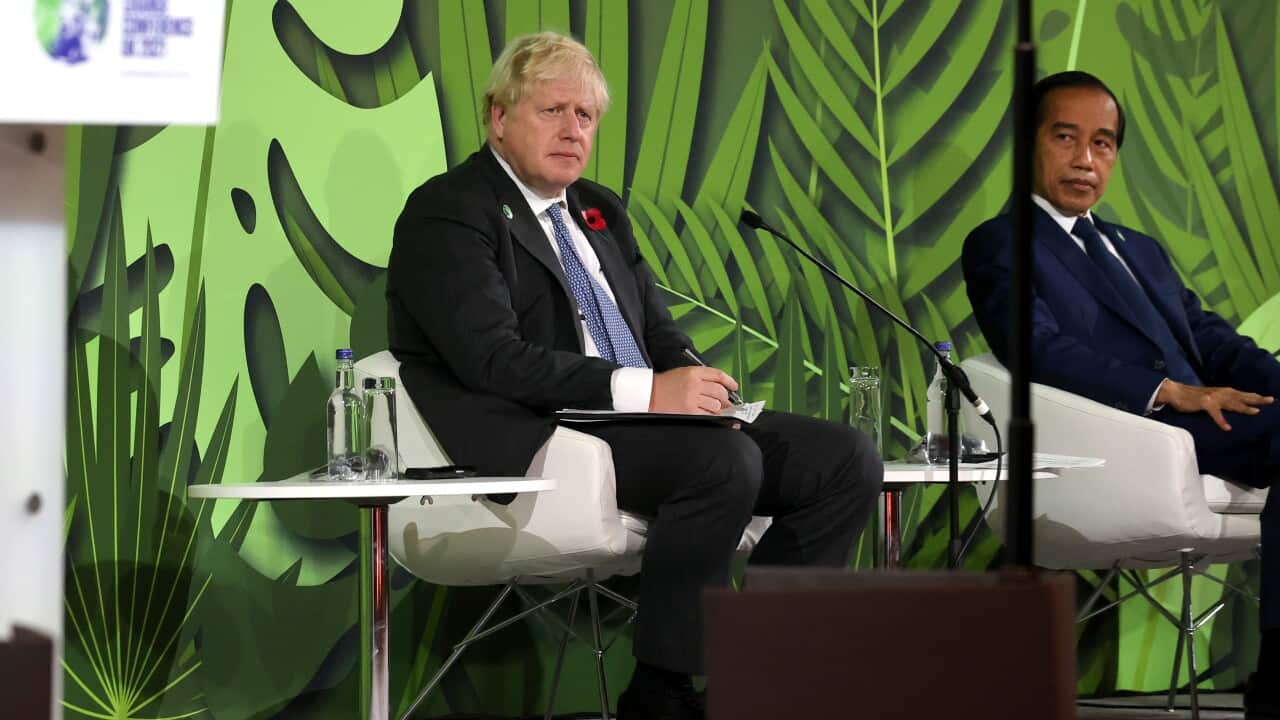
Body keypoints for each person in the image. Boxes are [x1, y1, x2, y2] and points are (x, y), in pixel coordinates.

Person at [386, 31, 883, 720]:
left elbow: (654, 328)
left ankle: (761, 679)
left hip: (644, 420)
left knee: (843, 460)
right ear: (498, 117)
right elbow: (492, 360)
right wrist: (649, 391)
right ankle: (661, 688)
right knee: (721, 462)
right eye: (552, 111)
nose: (572, 130)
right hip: (546, 429)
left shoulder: (598, 211)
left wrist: (689, 378)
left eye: (585, 116)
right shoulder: (451, 210)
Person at [963, 70, 1279, 719]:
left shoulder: (1139, 248)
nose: (1085, 159)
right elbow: (1036, 348)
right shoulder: (1003, 241)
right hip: (1132, 433)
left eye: (1103, 143)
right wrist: (1166, 391)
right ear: (1029, 144)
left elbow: (1214, 341)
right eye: (1066, 137)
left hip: (1205, 418)